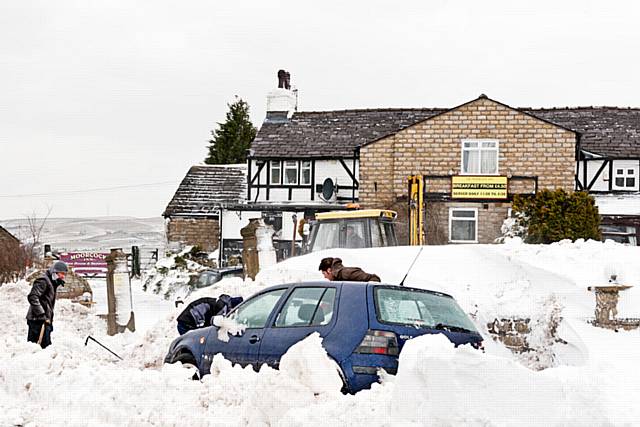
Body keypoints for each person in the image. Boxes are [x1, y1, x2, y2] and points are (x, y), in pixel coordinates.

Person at [26, 261, 68, 348]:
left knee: (45, 349)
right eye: (62, 273)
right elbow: (33, 297)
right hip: (37, 321)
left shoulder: (53, 283)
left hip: (44, 321)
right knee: (36, 349)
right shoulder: (43, 280)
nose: (63, 276)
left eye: (65, 274)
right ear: (55, 272)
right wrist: (41, 314)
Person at [176, 294, 244, 335]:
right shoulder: (222, 306)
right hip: (186, 324)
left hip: (185, 321)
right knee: (192, 345)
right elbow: (215, 322)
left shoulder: (218, 302)